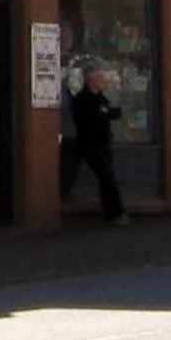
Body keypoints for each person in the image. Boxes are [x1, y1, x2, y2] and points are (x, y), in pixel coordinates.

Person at [61, 67, 129, 224]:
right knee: (106, 178)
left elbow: (112, 113)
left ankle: (112, 213)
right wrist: (103, 114)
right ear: (92, 81)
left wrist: (105, 113)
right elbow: (90, 119)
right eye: (101, 79)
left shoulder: (101, 98)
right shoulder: (82, 99)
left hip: (102, 143)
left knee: (106, 179)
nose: (105, 82)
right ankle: (117, 213)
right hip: (89, 144)